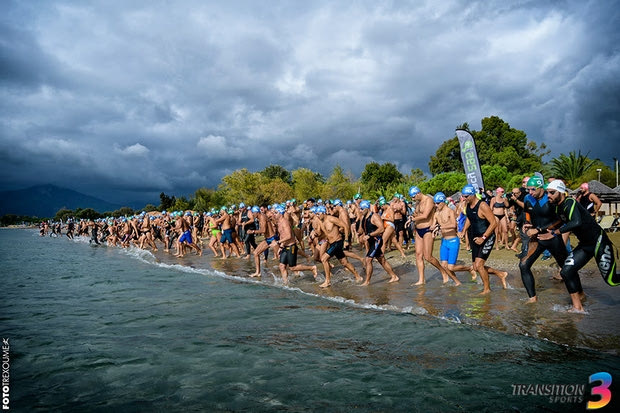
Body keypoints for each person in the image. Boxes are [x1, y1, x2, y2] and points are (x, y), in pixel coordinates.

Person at [545, 180, 619, 312]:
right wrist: (541, 229)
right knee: (566, 271)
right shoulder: (557, 207)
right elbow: (560, 221)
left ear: (561, 192)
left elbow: (576, 222)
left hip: (599, 242)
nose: (548, 195)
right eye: (547, 193)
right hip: (585, 245)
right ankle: (578, 307)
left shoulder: (570, 202)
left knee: (611, 280)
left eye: (552, 192)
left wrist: (555, 233)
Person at [519, 175, 568, 304]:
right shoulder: (528, 198)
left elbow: (560, 220)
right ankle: (532, 298)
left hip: (552, 237)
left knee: (566, 268)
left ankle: (579, 293)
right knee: (523, 265)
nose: (530, 192)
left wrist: (539, 229)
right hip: (537, 239)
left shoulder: (550, 197)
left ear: (541, 187)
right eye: (528, 189)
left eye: (533, 189)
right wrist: (527, 223)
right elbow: (527, 211)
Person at [459, 184, 508, 294]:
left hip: (487, 237)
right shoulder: (468, 205)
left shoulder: (482, 205)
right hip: (475, 238)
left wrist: (483, 237)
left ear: (472, 195)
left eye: (466, 196)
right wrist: (463, 231)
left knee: (479, 265)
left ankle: (487, 289)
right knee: (476, 267)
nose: (464, 199)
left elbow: (494, 223)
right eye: (463, 196)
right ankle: (500, 274)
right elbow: (469, 218)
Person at [409, 186, 459, 285]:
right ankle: (421, 280)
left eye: (413, 197)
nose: (413, 199)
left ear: (418, 193)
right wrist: (412, 218)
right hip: (418, 230)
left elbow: (425, 216)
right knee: (418, 255)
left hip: (427, 229)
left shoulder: (429, 200)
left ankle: (443, 271)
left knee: (428, 257)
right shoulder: (418, 202)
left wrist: (413, 219)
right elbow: (416, 215)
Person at [316, 206, 362, 288]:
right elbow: (325, 233)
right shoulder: (321, 221)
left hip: (337, 242)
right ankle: (358, 276)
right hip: (332, 243)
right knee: (344, 262)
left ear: (323, 212)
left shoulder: (331, 219)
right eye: (316, 214)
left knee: (323, 259)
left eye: (318, 214)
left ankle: (327, 281)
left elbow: (345, 226)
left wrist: (346, 240)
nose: (317, 216)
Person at [357, 200, 400, 286]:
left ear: (366, 208)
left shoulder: (375, 216)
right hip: (371, 241)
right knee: (382, 260)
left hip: (377, 240)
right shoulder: (364, 217)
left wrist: (369, 235)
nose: (360, 210)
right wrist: (360, 222)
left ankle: (367, 282)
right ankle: (394, 276)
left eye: (361, 209)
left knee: (368, 260)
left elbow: (381, 229)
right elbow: (360, 231)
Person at [273, 205, 318, 285]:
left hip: (291, 246)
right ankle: (285, 283)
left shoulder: (285, 222)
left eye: (276, 213)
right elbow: (283, 235)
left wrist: (277, 242)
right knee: (282, 266)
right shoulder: (279, 222)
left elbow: (289, 236)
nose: (274, 214)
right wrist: (281, 246)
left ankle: (312, 268)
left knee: (292, 267)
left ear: (280, 213)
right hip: (285, 246)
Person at [432, 192, 470, 283]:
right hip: (444, 241)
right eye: (435, 203)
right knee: (444, 265)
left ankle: (470, 268)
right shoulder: (436, 214)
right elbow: (433, 226)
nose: (436, 205)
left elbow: (453, 225)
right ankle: (457, 282)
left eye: (438, 203)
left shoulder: (450, 211)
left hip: (453, 240)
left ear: (443, 202)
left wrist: (440, 227)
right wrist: (433, 231)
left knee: (451, 267)